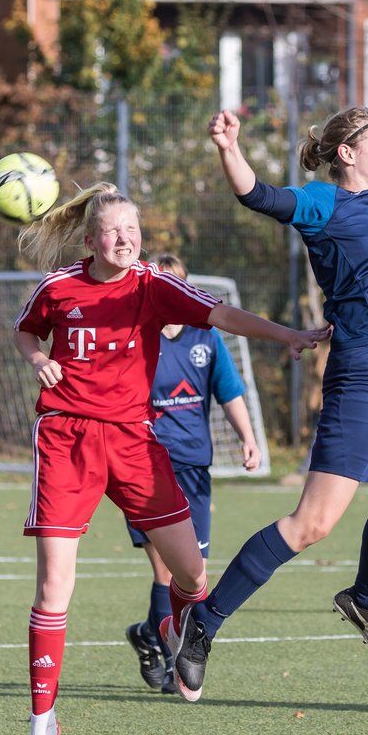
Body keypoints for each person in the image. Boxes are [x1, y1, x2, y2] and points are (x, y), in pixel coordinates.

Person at [12, 182, 329, 735]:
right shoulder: (59, 287)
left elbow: (223, 314)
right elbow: (26, 330)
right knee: (55, 588)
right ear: (90, 239)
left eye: (132, 229)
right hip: (66, 437)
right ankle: (40, 723)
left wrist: (287, 335)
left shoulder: (153, 286)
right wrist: (37, 359)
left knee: (192, 572)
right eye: (113, 231)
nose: (124, 239)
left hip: (134, 441)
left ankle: (178, 623)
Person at [171, 105, 368, 687]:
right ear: (348, 153)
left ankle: (365, 597)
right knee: (312, 523)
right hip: (364, 371)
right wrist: (229, 149)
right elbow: (258, 196)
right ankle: (203, 622)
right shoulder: (322, 201)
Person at [123, 252, 261, 695]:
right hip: (144, 466)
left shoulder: (206, 337)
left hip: (195, 468)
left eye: (177, 284)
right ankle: (172, 666)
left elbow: (230, 391)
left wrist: (248, 437)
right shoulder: (137, 337)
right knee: (165, 572)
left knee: (192, 574)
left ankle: (148, 633)